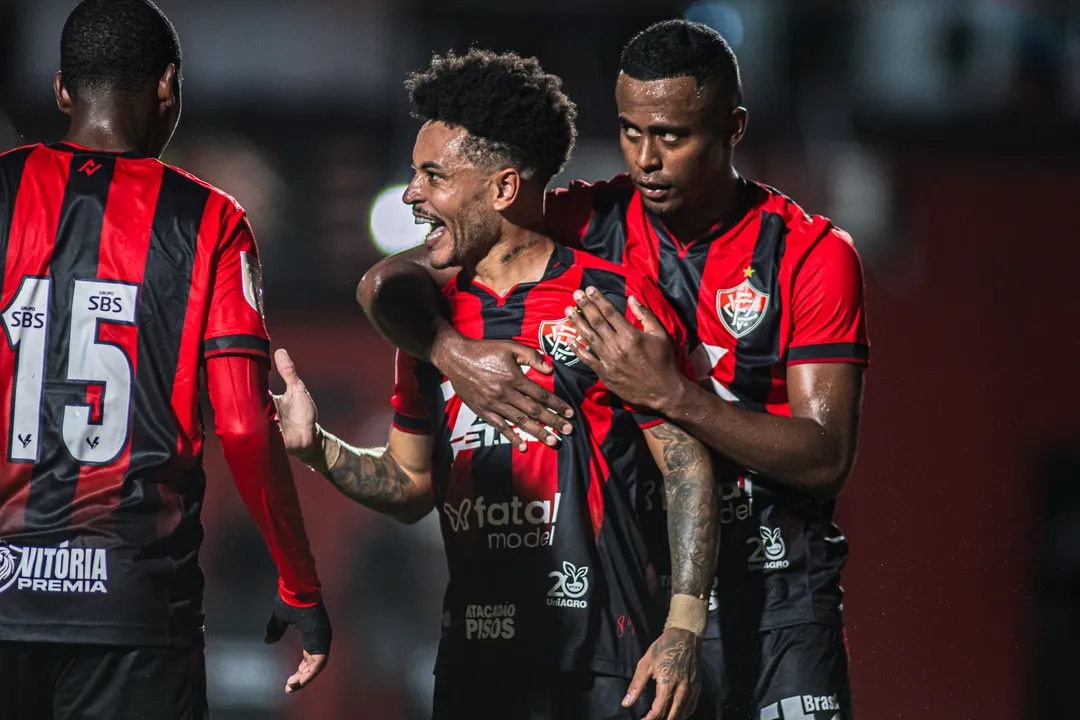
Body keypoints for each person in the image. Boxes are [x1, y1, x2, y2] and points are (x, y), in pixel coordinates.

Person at [358, 20, 868, 720]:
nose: (646, 158)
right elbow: (386, 284)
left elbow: (824, 457)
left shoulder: (809, 253)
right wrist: (452, 353)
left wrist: (673, 396)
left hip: (778, 599)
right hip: (654, 601)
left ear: (733, 127)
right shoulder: (590, 217)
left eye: (672, 136)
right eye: (631, 132)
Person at [273, 48, 719, 720]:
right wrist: (318, 449)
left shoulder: (605, 300)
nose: (412, 194)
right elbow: (409, 486)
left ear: (503, 188)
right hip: (474, 673)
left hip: (602, 668)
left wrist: (684, 628)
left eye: (434, 175)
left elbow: (686, 467)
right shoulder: (428, 327)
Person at [0, 2, 331, 718]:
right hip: (133, 609)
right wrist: (299, 582)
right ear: (167, 86)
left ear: (64, 90)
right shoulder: (211, 220)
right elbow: (243, 425)